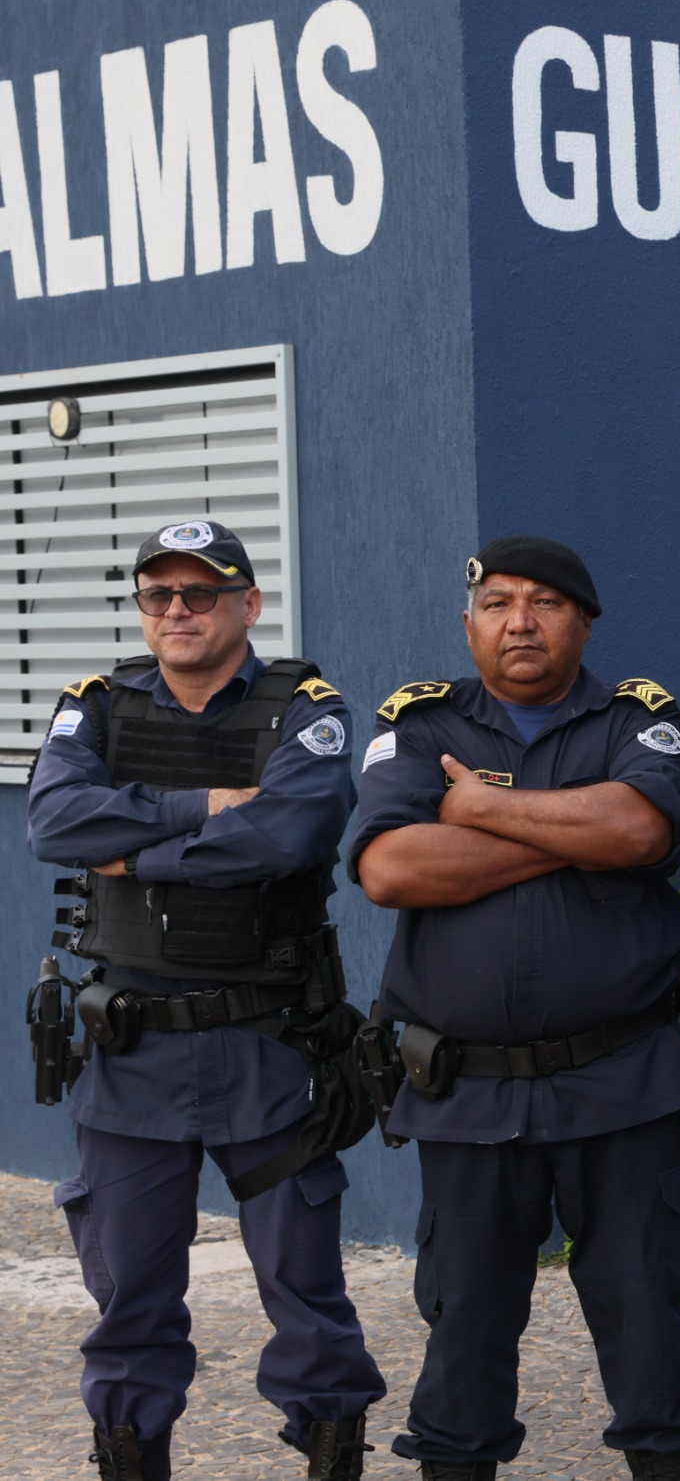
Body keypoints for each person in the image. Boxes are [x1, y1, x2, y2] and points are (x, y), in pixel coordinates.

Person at [348, 537, 680, 1481]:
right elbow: (392, 868)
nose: (521, 621)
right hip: (464, 1092)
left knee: (646, 1320)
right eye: (500, 603)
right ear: (469, 623)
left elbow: (641, 827)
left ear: (584, 622)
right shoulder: (419, 725)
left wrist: (477, 809)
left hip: (619, 1081)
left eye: (546, 603)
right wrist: (572, 830)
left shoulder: (639, 715)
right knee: (465, 1327)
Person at [26, 519, 385, 1481]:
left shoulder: (302, 707)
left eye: (201, 593)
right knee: (131, 1299)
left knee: (306, 1292)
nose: (177, 611)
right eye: (159, 595)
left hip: (267, 1046)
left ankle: (329, 1452)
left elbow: (288, 837)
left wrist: (132, 846)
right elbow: (55, 821)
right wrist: (202, 806)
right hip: (131, 1052)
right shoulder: (93, 706)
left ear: (247, 604)